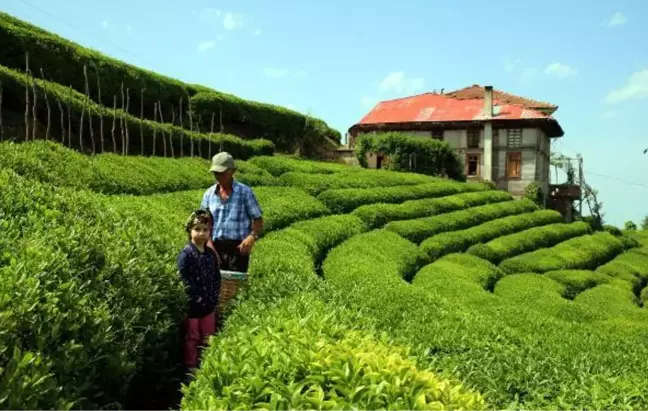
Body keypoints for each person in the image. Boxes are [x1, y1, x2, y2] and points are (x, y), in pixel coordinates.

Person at [200, 152, 264, 272]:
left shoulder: (245, 192)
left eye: (222, 173)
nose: (218, 176)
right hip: (214, 247)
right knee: (214, 286)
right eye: (216, 173)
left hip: (238, 249)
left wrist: (252, 237)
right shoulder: (209, 194)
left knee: (235, 287)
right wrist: (208, 244)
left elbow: (258, 219)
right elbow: (202, 223)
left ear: (232, 171)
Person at [177, 209, 221, 371]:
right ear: (190, 231)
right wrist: (197, 298)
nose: (201, 233)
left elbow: (216, 276)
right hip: (193, 307)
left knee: (208, 337)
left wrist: (214, 296)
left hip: (209, 305)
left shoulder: (210, 254)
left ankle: (206, 365)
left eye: (205, 229)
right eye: (197, 229)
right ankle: (191, 366)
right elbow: (184, 279)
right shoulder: (186, 254)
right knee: (193, 336)